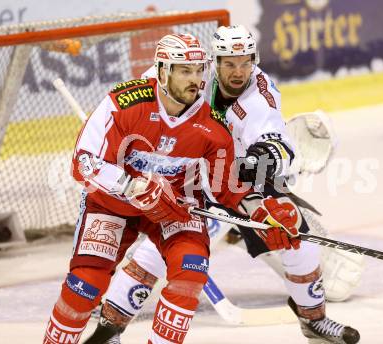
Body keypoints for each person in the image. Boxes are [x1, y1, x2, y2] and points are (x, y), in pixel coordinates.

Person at [83, 27, 360, 344]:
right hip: (188, 174)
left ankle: (314, 321)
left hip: (237, 179)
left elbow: (276, 147)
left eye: (245, 63)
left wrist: (253, 165)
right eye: (229, 63)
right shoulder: (188, 74)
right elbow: (141, 100)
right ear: (215, 62)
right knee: (157, 252)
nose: (238, 72)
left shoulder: (260, 96)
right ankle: (109, 329)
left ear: (254, 61)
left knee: (296, 233)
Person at [42, 32, 301, 344]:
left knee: (190, 273)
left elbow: (228, 188)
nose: (195, 80)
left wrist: (262, 212)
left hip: (174, 207)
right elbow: (83, 163)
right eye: (184, 71)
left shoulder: (213, 126)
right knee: (85, 284)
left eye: (199, 71)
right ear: (163, 71)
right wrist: (132, 185)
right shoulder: (124, 103)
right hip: (112, 204)